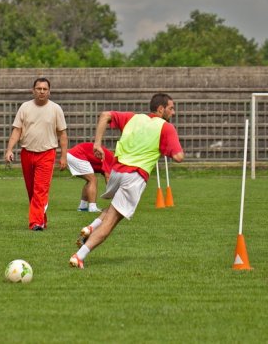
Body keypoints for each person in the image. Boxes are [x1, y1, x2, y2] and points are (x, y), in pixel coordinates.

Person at [69, 93, 184, 269]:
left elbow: (105, 115)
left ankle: (91, 227)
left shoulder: (134, 118)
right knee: (113, 221)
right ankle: (79, 256)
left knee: (114, 207)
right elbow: (178, 157)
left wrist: (97, 144)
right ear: (161, 109)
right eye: (171, 108)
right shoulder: (166, 128)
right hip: (134, 176)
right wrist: (168, 149)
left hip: (116, 171)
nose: (173, 112)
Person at [4, 77, 68, 231]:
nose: (41, 91)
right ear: (33, 90)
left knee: (40, 189)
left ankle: (35, 223)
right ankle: (42, 220)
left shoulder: (55, 109)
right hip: (27, 153)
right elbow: (17, 130)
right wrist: (9, 149)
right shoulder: (25, 107)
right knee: (32, 191)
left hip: (47, 154)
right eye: (39, 88)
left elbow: (62, 134)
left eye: (45, 89)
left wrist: (63, 156)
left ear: (49, 91)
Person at [66, 142, 115, 213]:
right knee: (93, 180)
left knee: (90, 180)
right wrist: (113, 194)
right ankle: (92, 208)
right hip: (77, 155)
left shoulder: (110, 158)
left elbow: (107, 176)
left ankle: (82, 206)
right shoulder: (111, 158)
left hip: (72, 155)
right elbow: (108, 178)